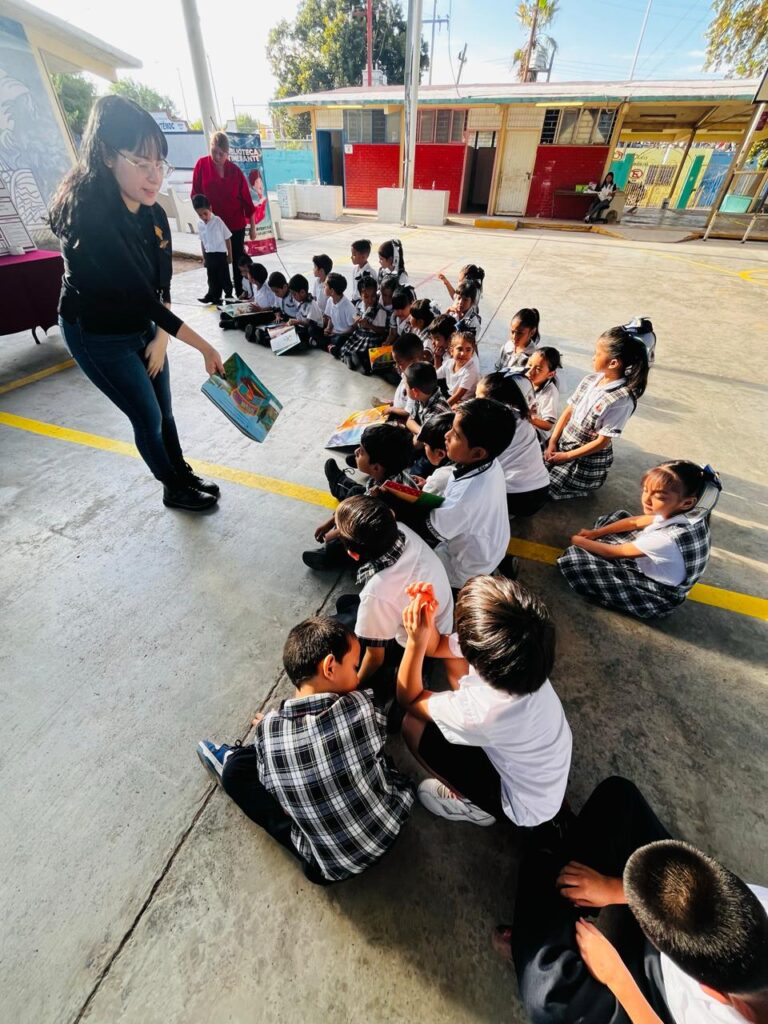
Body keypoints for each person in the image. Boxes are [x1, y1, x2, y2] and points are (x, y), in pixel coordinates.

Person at [50, 95, 225, 513]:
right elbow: (139, 293)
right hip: (97, 335)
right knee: (146, 415)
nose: (154, 178)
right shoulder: (91, 221)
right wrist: (205, 346)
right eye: (143, 164)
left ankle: (180, 470)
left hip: (143, 323)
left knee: (165, 408)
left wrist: (161, 337)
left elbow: (159, 285)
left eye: (159, 165)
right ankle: (173, 488)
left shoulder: (152, 214)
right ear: (108, 155)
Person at [497, 775, 768, 1024]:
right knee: (619, 802)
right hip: (677, 924)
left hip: (658, 1005)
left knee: (547, 1000)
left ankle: (538, 924)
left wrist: (618, 978)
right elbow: (707, 887)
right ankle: (539, 934)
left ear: (712, 993)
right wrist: (615, 889)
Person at [197, 616, 415, 885]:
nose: (357, 675)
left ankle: (228, 760)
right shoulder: (363, 706)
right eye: (355, 666)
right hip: (392, 824)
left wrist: (269, 727)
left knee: (235, 772)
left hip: (335, 869)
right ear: (330, 667)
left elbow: (272, 789)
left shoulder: (267, 732)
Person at [396, 576, 572, 828]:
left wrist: (414, 642)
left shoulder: (486, 712)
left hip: (521, 805)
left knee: (413, 725)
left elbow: (409, 698)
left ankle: (474, 806)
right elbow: (440, 647)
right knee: (454, 660)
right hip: (543, 773)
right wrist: (426, 620)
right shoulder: (522, 655)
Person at [558, 461, 717, 619]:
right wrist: (596, 533)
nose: (646, 499)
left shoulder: (666, 539)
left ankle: (612, 597)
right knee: (618, 517)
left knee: (574, 560)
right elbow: (636, 522)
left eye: (659, 496)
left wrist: (578, 540)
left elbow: (613, 552)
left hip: (657, 594)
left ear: (687, 502)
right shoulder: (692, 513)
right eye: (645, 490)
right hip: (655, 563)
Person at [332, 497, 455, 688]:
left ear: (353, 554)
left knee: (335, 632)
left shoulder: (376, 594)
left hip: (413, 645)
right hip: (443, 620)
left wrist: (354, 688)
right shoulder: (401, 530)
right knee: (346, 605)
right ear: (391, 515)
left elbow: (375, 658)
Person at [546, 327, 649, 500]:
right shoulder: (590, 380)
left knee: (545, 489)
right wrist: (552, 442)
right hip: (563, 445)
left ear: (613, 363)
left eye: (597, 353)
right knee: (528, 465)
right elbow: (568, 412)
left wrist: (566, 456)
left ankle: (581, 486)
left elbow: (602, 442)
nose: (593, 357)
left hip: (582, 459)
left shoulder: (621, 399)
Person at [426, 399, 515, 589]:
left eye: (456, 434)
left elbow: (431, 529)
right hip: (492, 550)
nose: (446, 435)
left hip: (463, 571)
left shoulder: (466, 497)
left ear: (477, 453)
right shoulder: (491, 462)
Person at [477, 373, 551, 517]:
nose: (475, 401)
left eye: (478, 398)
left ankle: (504, 511)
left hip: (516, 497)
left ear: (493, 404)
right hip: (542, 490)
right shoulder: (521, 416)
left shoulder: (490, 425)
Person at [192, 131, 256, 295]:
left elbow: (247, 201)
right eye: (214, 151)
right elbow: (196, 195)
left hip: (235, 224)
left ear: (227, 154)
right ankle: (215, 291)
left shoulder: (235, 171)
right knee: (214, 260)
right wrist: (202, 216)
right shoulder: (201, 165)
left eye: (221, 154)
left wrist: (253, 227)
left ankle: (242, 290)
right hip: (212, 224)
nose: (217, 156)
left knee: (236, 259)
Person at [322, 422, 417, 503]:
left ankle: (338, 483)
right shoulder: (402, 476)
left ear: (376, 468)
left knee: (354, 492)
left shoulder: (376, 494)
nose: (356, 451)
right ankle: (363, 463)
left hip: (372, 507)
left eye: (361, 451)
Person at [340, 273, 389, 372]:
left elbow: (382, 331)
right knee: (345, 346)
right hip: (360, 335)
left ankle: (358, 362)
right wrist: (357, 321)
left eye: (373, 296)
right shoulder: (359, 304)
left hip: (373, 338)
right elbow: (356, 317)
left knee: (365, 352)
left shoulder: (380, 310)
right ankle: (354, 360)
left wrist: (369, 325)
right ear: (360, 295)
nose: (370, 299)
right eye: (366, 296)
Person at [192, 194, 233, 305]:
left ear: (210, 208)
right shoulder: (200, 224)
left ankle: (229, 295)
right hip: (209, 255)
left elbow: (227, 238)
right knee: (212, 277)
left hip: (220, 254)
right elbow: (202, 241)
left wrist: (229, 255)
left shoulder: (217, 221)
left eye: (205, 213)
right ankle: (214, 296)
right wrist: (204, 257)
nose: (203, 217)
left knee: (224, 276)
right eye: (200, 215)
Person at [526, 346, 562, 443]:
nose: (530, 372)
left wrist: (529, 418)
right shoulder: (527, 380)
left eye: (538, 369)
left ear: (550, 374)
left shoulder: (550, 393)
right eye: (529, 365)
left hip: (537, 437)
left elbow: (548, 425)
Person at [437, 331, 481, 406]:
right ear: (451, 351)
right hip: (451, 396)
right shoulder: (449, 363)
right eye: (460, 349)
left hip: (465, 402)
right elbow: (434, 376)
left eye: (468, 350)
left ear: (472, 352)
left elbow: (458, 395)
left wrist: (442, 409)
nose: (463, 353)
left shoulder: (471, 370)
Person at [285, 273, 324, 348]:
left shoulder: (311, 304)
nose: (293, 297)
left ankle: (310, 341)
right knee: (292, 330)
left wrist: (297, 322)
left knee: (311, 330)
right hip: (303, 327)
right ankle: (303, 341)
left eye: (294, 294)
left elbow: (309, 323)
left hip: (315, 329)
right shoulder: (300, 301)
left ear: (302, 292)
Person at [323, 272, 357, 357]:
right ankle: (331, 348)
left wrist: (338, 334)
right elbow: (331, 318)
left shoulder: (348, 306)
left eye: (326, 285)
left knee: (340, 340)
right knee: (314, 330)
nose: (324, 285)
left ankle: (332, 349)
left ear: (332, 291)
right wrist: (328, 328)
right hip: (334, 333)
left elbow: (353, 328)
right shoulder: (330, 300)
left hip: (344, 335)